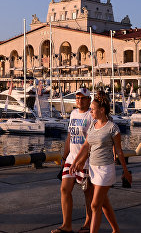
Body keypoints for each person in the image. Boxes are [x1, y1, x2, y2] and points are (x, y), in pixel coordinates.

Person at [70, 93, 132, 233]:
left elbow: (119, 152)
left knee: (95, 204)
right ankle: (116, 230)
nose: (90, 111)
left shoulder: (112, 128)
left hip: (105, 170)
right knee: (104, 203)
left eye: (92, 109)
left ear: (102, 110)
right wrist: (75, 162)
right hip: (93, 169)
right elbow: (86, 145)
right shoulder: (92, 125)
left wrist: (125, 171)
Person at [52, 87, 93, 233]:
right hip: (71, 158)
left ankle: (88, 223)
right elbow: (70, 136)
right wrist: (64, 156)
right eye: (77, 98)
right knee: (64, 189)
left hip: (85, 160)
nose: (79, 100)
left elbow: (91, 141)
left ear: (89, 100)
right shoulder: (74, 113)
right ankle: (66, 225)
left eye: (83, 98)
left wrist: (82, 160)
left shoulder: (91, 116)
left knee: (87, 193)